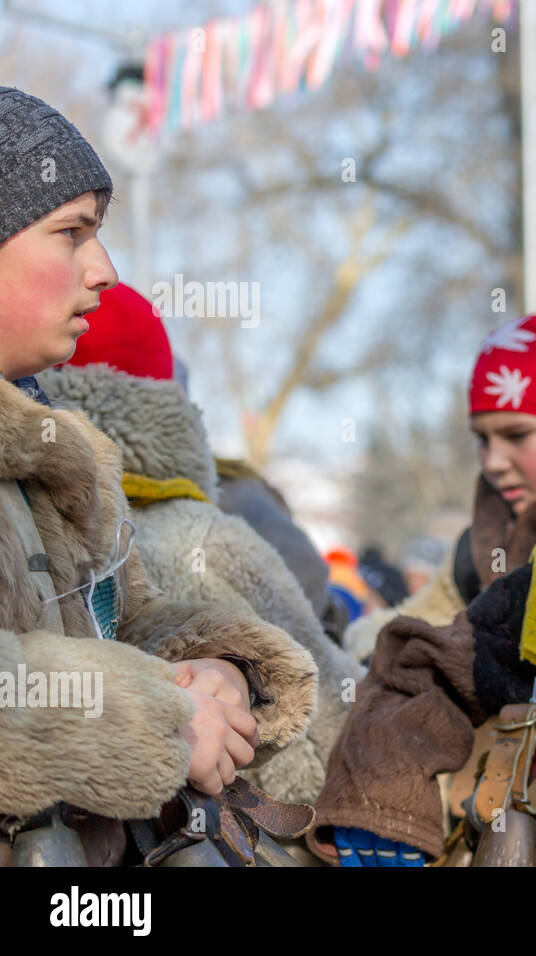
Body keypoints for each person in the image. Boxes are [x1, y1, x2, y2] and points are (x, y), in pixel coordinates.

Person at [0, 86, 316, 865]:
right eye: (68, 233)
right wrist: (153, 718)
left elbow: (115, 625)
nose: (103, 270)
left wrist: (215, 672)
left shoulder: (61, 459)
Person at [313, 311, 536, 863]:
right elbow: (407, 627)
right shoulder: (476, 550)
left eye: (516, 434)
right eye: (481, 439)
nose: (493, 462)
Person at [39, 284, 362, 811]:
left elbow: (132, 625)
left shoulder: (71, 518)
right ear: (171, 406)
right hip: (256, 821)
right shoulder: (206, 533)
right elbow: (333, 709)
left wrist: (230, 662)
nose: (99, 266)